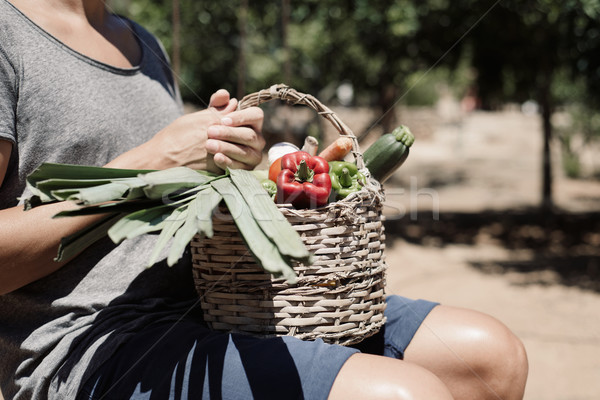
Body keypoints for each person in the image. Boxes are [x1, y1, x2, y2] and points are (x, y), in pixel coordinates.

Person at [0, 0, 528, 399]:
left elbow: (171, 192)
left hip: (218, 303)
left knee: (491, 357)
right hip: (89, 346)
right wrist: (153, 160)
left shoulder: (141, 43)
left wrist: (227, 159)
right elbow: (151, 166)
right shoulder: (9, 32)